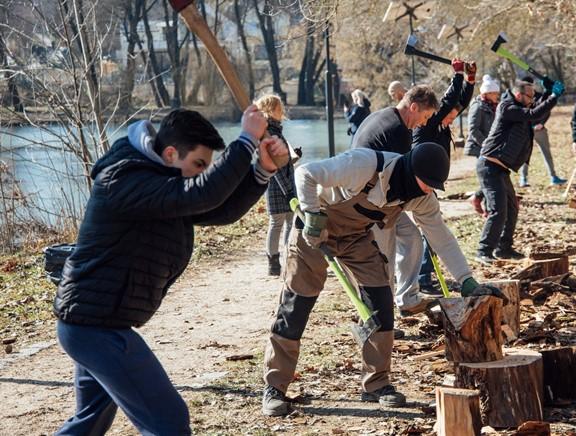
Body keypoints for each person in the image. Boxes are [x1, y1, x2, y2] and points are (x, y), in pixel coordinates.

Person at [52, 107, 288, 435]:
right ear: (170, 153)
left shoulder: (163, 184)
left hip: (94, 324)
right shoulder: (124, 179)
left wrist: (261, 170)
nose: (201, 174)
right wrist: (247, 138)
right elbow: (204, 192)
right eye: (199, 165)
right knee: (169, 421)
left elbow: (220, 207)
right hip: (96, 328)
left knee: (88, 423)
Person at [261, 143, 503, 416]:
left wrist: (466, 280)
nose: (427, 190)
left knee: (381, 303)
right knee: (296, 306)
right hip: (314, 233)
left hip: (357, 238)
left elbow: (441, 237)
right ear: (410, 171)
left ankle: (376, 383)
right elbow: (305, 173)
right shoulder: (363, 165)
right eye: (425, 184)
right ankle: (275, 386)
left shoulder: (421, 196)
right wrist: (313, 214)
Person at [351, 86, 441, 315]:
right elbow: (400, 178)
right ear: (413, 107)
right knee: (385, 258)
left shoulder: (386, 115)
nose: (423, 123)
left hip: (381, 195)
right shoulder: (398, 131)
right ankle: (382, 316)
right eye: (425, 117)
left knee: (411, 238)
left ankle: (407, 298)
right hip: (368, 201)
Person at [475, 78, 563, 265]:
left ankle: (504, 248)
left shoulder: (520, 108)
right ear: (518, 94)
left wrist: (547, 94)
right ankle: (484, 250)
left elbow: (537, 112)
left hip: (501, 169)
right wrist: (554, 96)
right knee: (498, 210)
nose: (533, 99)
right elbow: (533, 113)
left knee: (512, 209)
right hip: (489, 166)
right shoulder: (507, 108)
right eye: (530, 96)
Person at [411, 58, 475, 295]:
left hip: (430, 181)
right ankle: (423, 278)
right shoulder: (427, 124)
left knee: (432, 229)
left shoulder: (441, 125)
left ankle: (425, 275)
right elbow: (449, 100)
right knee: (428, 230)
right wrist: (457, 74)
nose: (452, 117)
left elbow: (460, 104)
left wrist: (470, 80)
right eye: (448, 115)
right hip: (417, 180)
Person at [257, 94, 300, 276]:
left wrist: (294, 157)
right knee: (277, 222)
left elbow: (282, 162)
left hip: (285, 183)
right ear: (270, 109)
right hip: (278, 185)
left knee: (290, 221)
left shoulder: (275, 130)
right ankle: (274, 262)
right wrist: (288, 190)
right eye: (279, 106)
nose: (282, 109)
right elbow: (275, 167)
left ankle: (288, 259)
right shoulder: (270, 132)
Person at [519, 81, 566, 187]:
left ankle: (553, 176)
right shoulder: (522, 99)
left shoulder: (540, 96)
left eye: (531, 86)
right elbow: (528, 112)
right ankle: (523, 178)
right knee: (525, 155)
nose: (531, 89)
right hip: (527, 130)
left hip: (540, 129)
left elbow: (545, 109)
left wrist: (541, 123)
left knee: (546, 153)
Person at [464, 74, 501, 157]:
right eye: (495, 93)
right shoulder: (477, 106)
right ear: (487, 93)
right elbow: (473, 129)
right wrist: (486, 144)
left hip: (486, 148)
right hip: (476, 149)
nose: (497, 96)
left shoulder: (493, 107)